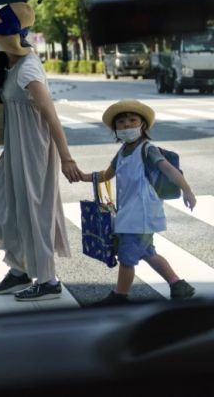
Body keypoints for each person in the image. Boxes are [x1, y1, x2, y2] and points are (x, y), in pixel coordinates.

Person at [0, 2, 83, 301]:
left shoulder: (29, 67)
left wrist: (66, 157)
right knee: (1, 207)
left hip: (34, 148)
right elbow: (9, 99)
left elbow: (50, 115)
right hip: (15, 146)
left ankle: (47, 280)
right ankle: (19, 269)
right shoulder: (8, 64)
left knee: (34, 212)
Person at [80, 100, 198, 306]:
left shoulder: (147, 149)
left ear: (143, 125)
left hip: (141, 214)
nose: (127, 125)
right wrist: (83, 176)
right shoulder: (123, 151)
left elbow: (168, 169)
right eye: (121, 122)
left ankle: (120, 296)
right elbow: (107, 174)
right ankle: (178, 285)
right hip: (130, 213)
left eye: (132, 120)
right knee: (147, 252)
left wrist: (187, 190)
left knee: (126, 258)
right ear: (115, 129)